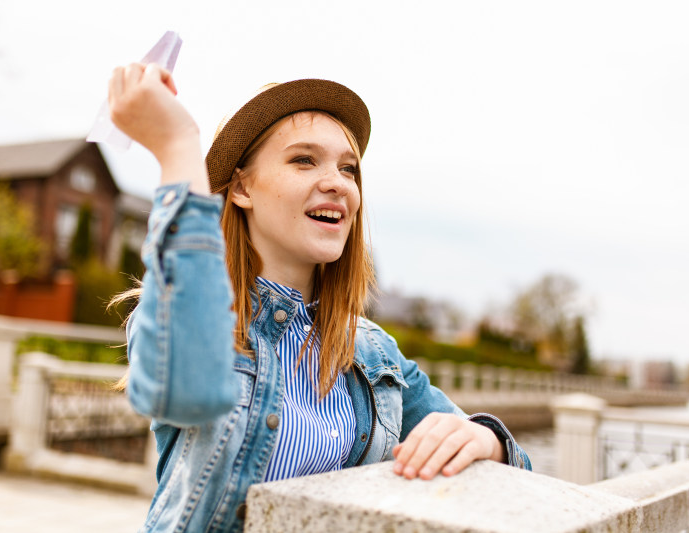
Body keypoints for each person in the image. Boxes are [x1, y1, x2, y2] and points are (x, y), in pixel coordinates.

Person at [107, 62, 531, 532]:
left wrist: (484, 438)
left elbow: (520, 472)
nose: (338, 182)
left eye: (348, 169)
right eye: (304, 160)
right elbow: (187, 389)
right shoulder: (184, 316)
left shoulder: (373, 353)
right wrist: (178, 146)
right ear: (243, 187)